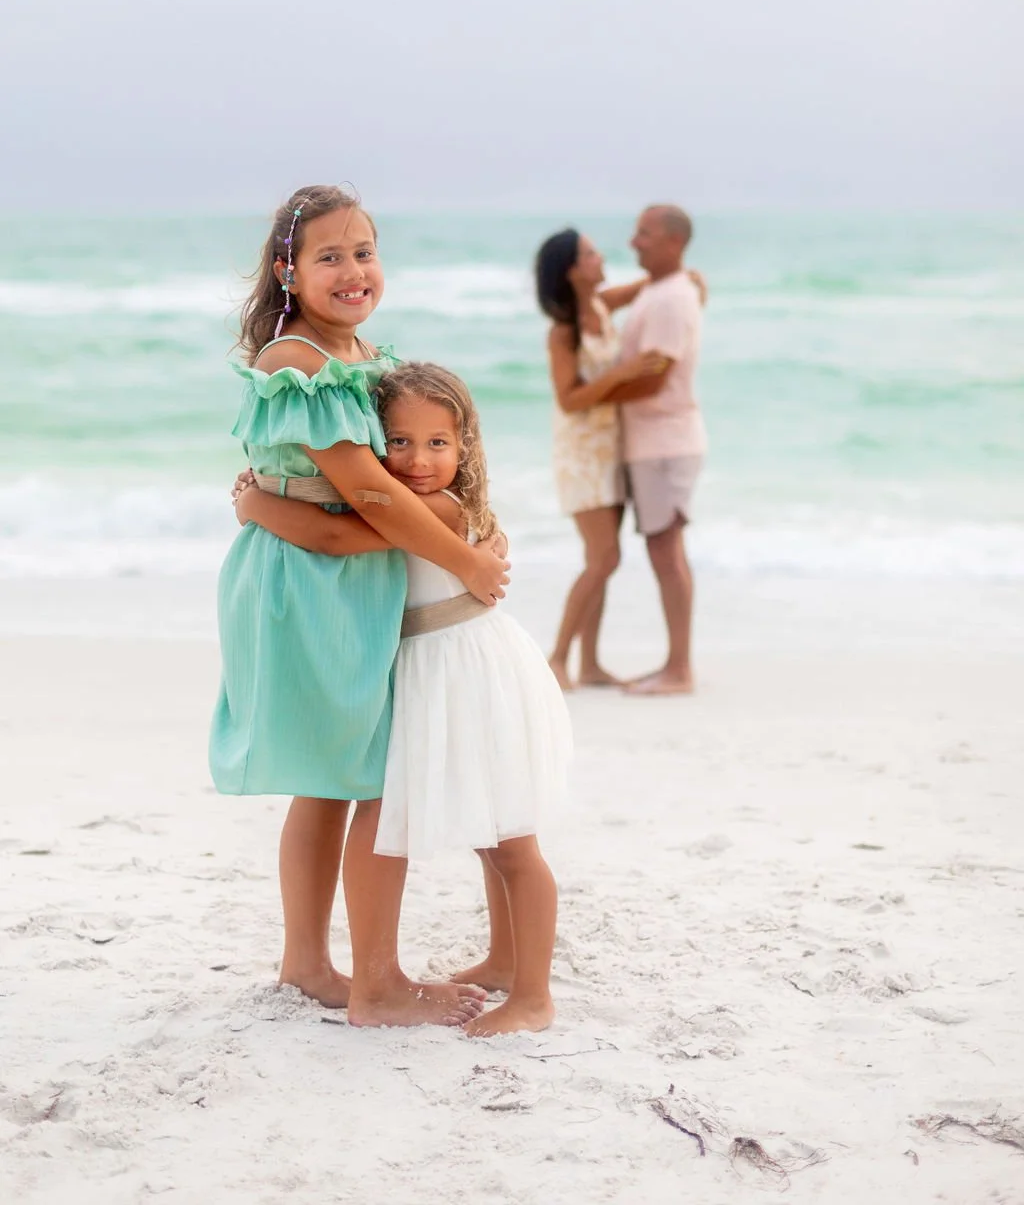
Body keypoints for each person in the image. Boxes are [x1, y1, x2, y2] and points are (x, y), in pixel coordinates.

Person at [211, 186, 508, 1028]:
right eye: (329, 257)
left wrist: (463, 520)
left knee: (333, 781)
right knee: (373, 773)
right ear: (288, 271)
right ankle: (373, 982)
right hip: (310, 586)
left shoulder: (364, 358)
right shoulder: (298, 362)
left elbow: (411, 478)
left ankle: (309, 962)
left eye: (365, 252)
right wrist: (465, 558)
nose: (352, 271)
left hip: (337, 578)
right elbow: (370, 499)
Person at [235, 362, 572, 1037]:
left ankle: (533, 996)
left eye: (438, 443)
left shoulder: (439, 510)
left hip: (470, 677)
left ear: (465, 446)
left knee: (510, 840)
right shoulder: (426, 504)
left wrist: (257, 506)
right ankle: (504, 962)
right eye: (400, 442)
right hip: (440, 671)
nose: (419, 460)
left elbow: (334, 536)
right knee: (490, 834)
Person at [534, 229, 666, 689]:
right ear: (572, 269)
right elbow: (569, 400)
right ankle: (556, 657)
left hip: (612, 450)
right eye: (590, 254)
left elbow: (649, 285)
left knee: (604, 557)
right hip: (581, 457)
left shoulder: (601, 306)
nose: (600, 257)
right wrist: (623, 373)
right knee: (604, 558)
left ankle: (589, 665)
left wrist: (685, 277)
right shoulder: (564, 330)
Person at [619, 205, 708, 695]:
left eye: (645, 234)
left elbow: (654, 378)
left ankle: (679, 669)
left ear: (674, 241)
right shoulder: (659, 289)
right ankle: (675, 664)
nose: (634, 241)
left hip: (666, 442)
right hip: (654, 443)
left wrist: (587, 398)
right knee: (663, 550)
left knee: (667, 552)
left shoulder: (672, 298)